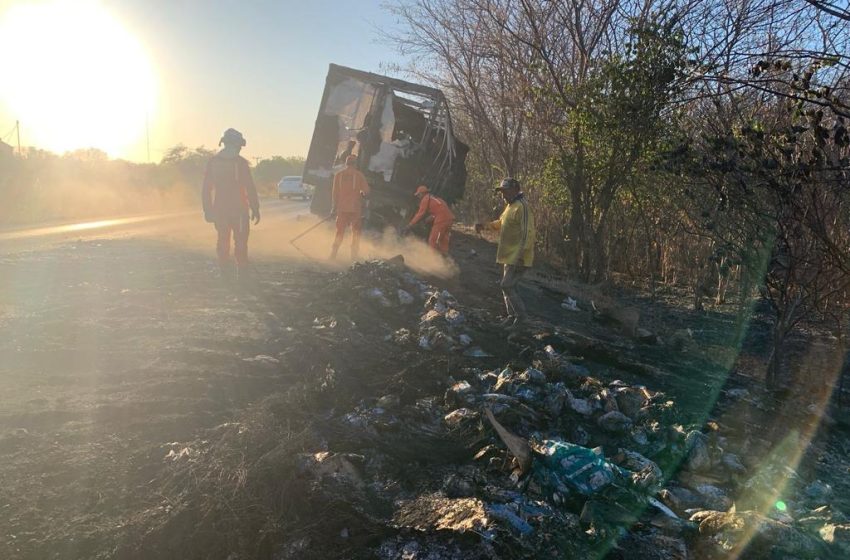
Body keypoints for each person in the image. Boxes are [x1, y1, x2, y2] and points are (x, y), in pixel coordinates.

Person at [475, 177, 535, 328]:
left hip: (519, 256)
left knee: (507, 285)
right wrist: (485, 226)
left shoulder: (522, 206)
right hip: (509, 255)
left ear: (515, 190)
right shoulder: (510, 207)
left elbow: (528, 232)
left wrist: (522, 253)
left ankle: (522, 318)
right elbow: (501, 224)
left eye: (505, 191)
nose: (503, 195)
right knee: (508, 287)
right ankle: (512, 317)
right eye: (501, 192)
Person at [202, 128, 260, 280]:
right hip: (239, 209)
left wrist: (208, 210)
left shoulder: (213, 162)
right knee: (240, 241)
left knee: (222, 238)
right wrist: (255, 207)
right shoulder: (240, 163)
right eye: (240, 145)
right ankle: (242, 272)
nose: (240, 148)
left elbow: (206, 189)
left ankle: (224, 271)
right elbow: (250, 187)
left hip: (219, 209)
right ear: (236, 144)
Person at [330, 154, 370, 260]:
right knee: (356, 232)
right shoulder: (359, 175)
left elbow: (335, 193)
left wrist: (334, 207)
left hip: (341, 208)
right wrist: (362, 194)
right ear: (355, 164)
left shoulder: (338, 175)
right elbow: (366, 192)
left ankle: (333, 255)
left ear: (346, 163)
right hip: (355, 209)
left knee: (339, 232)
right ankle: (353, 257)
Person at [403, 185, 455, 254]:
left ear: (422, 193)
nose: (418, 197)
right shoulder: (435, 198)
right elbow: (441, 209)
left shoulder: (425, 199)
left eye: (418, 195)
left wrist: (410, 224)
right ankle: (444, 257)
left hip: (441, 220)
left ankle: (432, 258)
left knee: (433, 240)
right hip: (450, 219)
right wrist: (430, 218)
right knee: (443, 239)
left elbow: (420, 214)